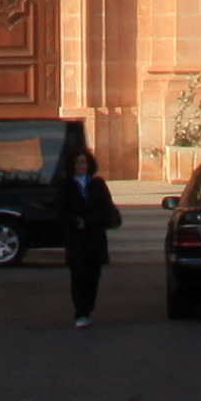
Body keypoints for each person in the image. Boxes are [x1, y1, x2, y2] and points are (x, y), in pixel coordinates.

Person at [58, 139, 116, 330]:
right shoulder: (66, 186)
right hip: (75, 238)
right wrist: (76, 222)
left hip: (94, 236)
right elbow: (61, 211)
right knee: (78, 275)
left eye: (83, 162)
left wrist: (88, 222)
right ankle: (80, 312)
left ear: (88, 164)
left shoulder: (98, 184)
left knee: (93, 275)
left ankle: (88, 309)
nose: (80, 166)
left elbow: (106, 208)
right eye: (77, 163)